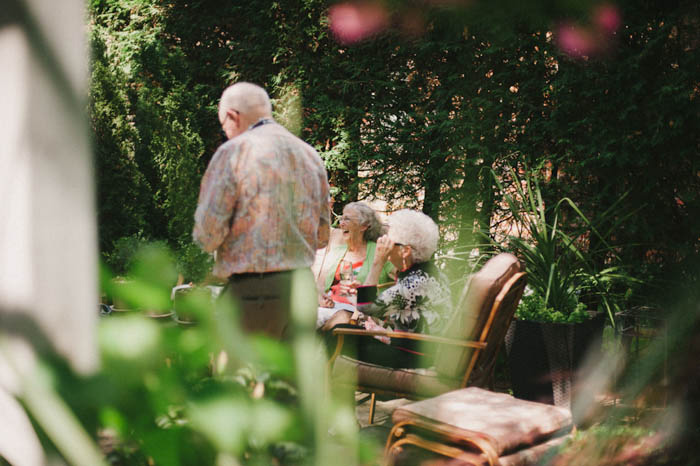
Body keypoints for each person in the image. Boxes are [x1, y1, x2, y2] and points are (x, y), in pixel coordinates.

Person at [193, 82, 330, 338]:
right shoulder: (311, 156)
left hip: (253, 293)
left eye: (224, 125)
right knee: (289, 378)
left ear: (233, 116)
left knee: (239, 376)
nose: (226, 133)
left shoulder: (233, 152)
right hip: (301, 290)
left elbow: (207, 234)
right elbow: (322, 237)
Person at [327, 209, 452, 368]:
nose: (381, 245)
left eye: (387, 243)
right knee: (344, 328)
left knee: (340, 333)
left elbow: (366, 307)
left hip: (413, 357)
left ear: (405, 251)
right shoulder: (428, 274)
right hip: (416, 350)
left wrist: (377, 262)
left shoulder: (415, 282)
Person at [314, 202, 393, 327]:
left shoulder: (379, 251)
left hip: (358, 311)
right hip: (330, 307)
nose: (341, 223)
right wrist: (321, 298)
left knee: (341, 317)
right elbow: (320, 286)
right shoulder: (336, 252)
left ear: (364, 226)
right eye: (341, 218)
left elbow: (398, 280)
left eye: (347, 219)